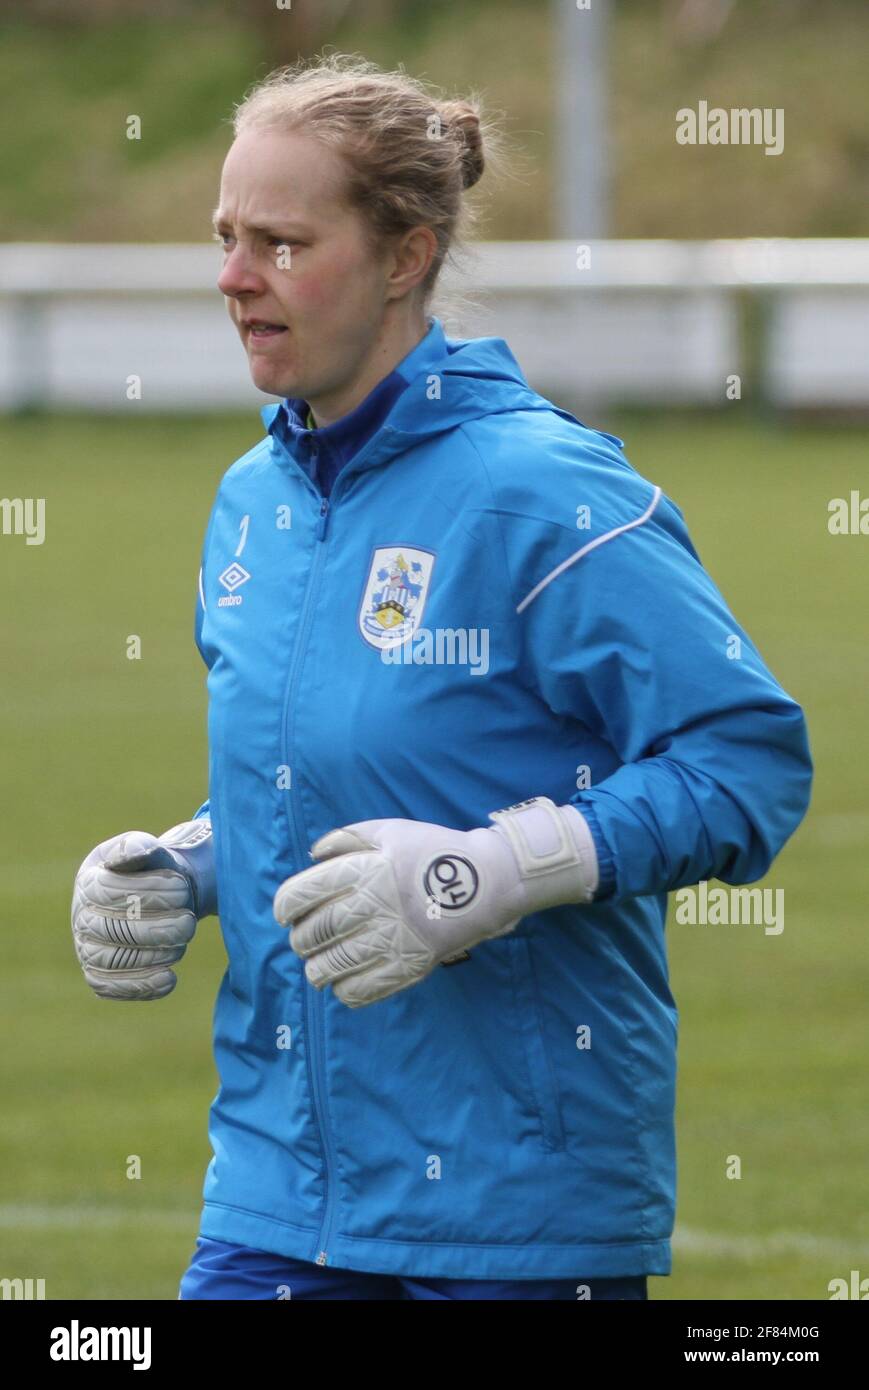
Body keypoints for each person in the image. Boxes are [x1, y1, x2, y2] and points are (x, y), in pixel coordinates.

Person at [70, 53, 813, 1301]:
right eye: (225, 239)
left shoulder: (546, 493)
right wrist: (190, 860)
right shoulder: (251, 502)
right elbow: (321, 769)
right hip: (275, 1190)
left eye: (281, 243)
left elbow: (744, 764)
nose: (234, 279)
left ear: (405, 256)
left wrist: (489, 874)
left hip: (516, 1210)